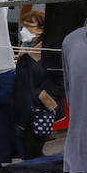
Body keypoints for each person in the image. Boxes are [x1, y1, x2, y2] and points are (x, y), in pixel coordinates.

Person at [11, 11, 60, 161]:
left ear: (41, 29)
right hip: (23, 111)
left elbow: (61, 81)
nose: (23, 30)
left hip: (39, 112)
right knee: (29, 153)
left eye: (29, 26)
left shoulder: (49, 52)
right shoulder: (25, 48)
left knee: (33, 152)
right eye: (23, 26)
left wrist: (43, 98)